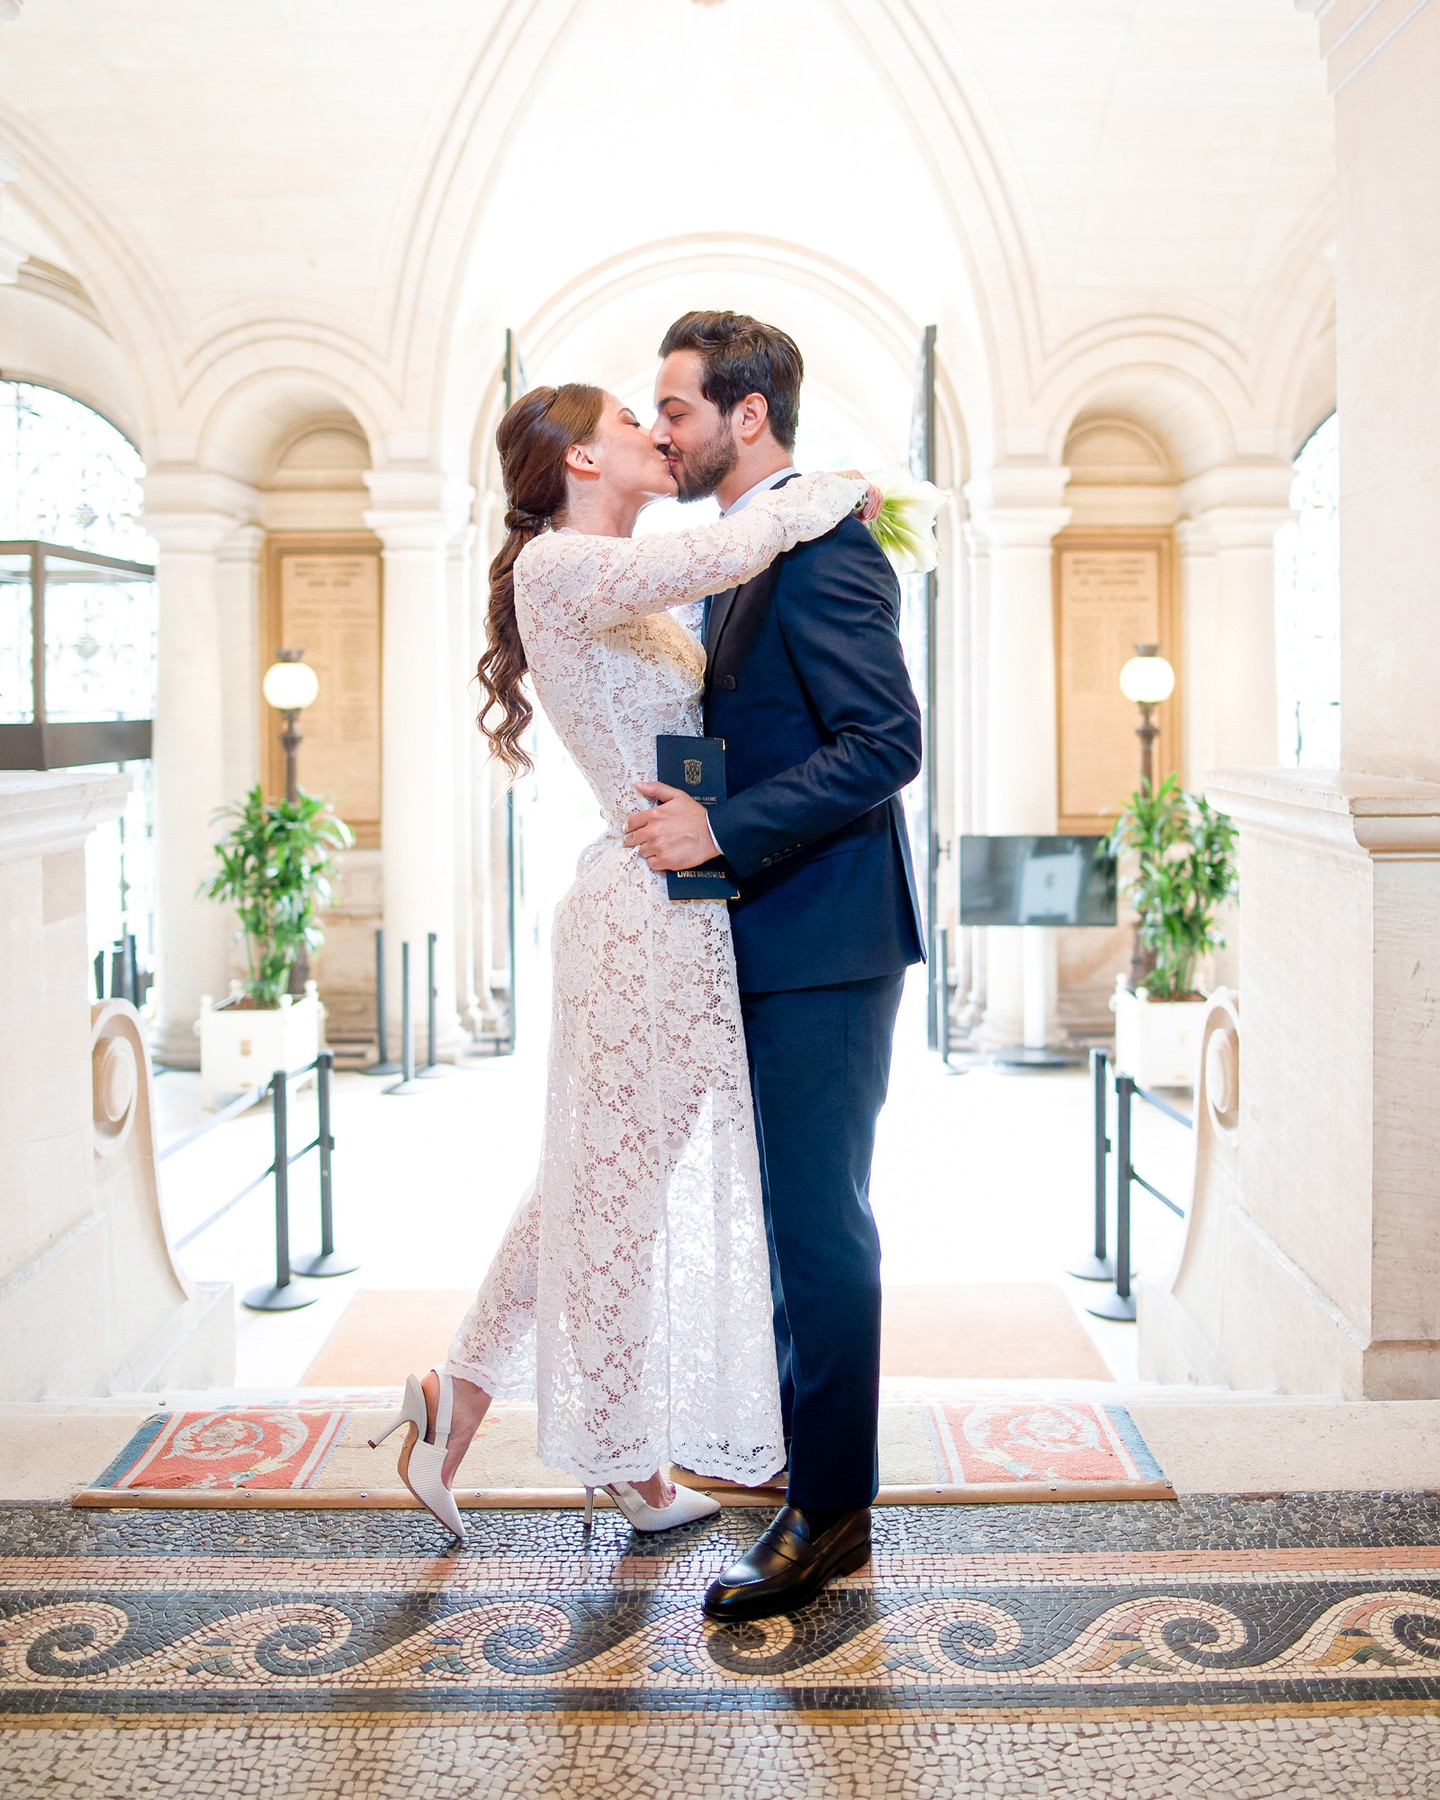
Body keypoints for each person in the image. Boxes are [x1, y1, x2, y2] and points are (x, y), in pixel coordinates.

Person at [368, 379, 872, 1544]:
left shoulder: (618, 579)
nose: (656, 433)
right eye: (631, 422)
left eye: (665, 414)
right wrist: (832, 493)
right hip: (641, 910)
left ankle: (458, 1396)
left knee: (595, 1184)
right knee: (618, 1194)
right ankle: (626, 1462)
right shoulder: (557, 564)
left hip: (680, 896)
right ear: (582, 463)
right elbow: (739, 543)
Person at [628, 310, 924, 1620]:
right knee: (787, 1222)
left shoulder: (824, 545)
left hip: (827, 942)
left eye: (678, 409)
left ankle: (834, 1516)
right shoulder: (733, 561)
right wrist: (681, 860)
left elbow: (884, 741)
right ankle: (813, 1468)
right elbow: (738, 732)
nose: (661, 432)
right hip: (752, 929)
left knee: (819, 1226)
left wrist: (722, 829)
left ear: (749, 417)